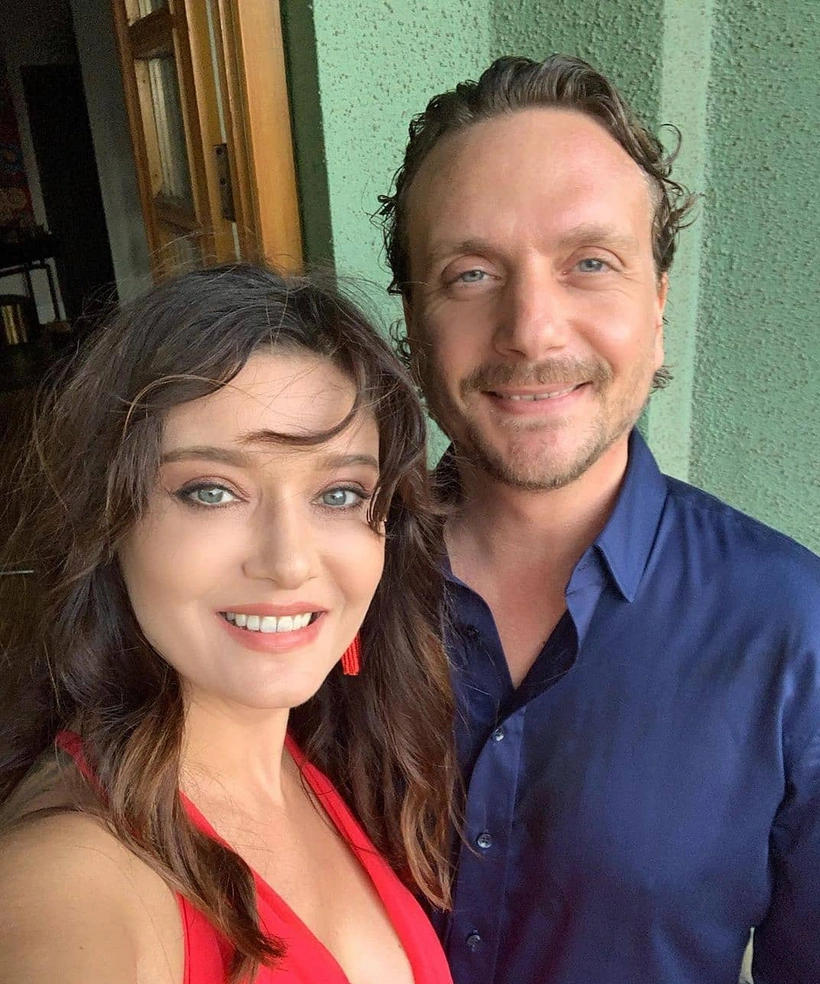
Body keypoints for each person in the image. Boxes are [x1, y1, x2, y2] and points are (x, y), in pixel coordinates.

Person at [377, 54, 820, 984]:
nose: (532, 330)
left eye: (590, 263)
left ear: (658, 304)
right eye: (469, 273)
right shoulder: (323, 593)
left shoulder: (794, 627)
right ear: (413, 324)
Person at [0, 264, 457, 984]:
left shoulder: (325, 760)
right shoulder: (69, 878)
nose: (288, 563)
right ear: (107, 522)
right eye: (212, 491)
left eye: (340, 493)